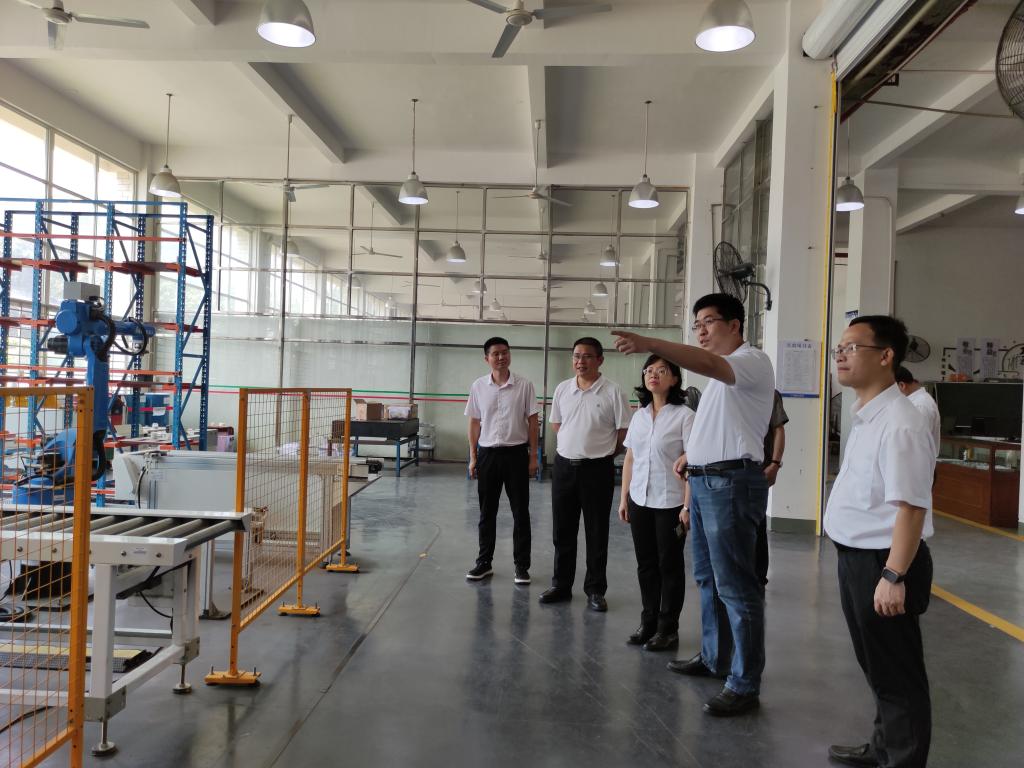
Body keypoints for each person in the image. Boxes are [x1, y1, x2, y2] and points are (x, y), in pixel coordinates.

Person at [612, 293, 774, 717]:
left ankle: (744, 682)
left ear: (735, 325)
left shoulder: (750, 361)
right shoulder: (719, 380)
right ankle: (715, 657)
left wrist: (652, 342)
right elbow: (723, 427)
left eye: (708, 322)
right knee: (707, 577)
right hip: (704, 481)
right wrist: (692, 456)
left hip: (730, 483)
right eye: (696, 324)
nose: (700, 331)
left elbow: (707, 365)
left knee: (736, 585)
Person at [825, 316, 936, 768]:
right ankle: (884, 747)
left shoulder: (902, 423)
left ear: (886, 356)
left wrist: (893, 575)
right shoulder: (868, 415)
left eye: (852, 348)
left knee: (898, 674)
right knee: (877, 665)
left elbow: (911, 508)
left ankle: (903, 759)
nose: (840, 356)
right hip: (857, 558)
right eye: (839, 349)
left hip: (883, 562)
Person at [540, 337, 631, 612]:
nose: (581, 361)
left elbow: (623, 431)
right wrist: (574, 445)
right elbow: (557, 424)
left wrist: (604, 453)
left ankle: (595, 590)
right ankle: (561, 585)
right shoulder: (562, 389)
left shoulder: (613, 391)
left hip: (597, 470)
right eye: (577, 356)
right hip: (564, 468)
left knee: (596, 531)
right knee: (562, 530)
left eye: (587, 356)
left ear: (600, 360)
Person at [617, 355, 695, 651]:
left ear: (674, 378)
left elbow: (693, 464)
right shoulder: (639, 415)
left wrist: (687, 507)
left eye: (662, 370)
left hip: (671, 503)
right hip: (640, 499)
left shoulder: (685, 416)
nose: (653, 375)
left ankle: (668, 628)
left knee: (669, 566)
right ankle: (648, 621)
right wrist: (624, 497)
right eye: (649, 370)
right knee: (646, 564)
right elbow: (631, 458)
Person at [465, 337, 539, 584]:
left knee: (521, 512)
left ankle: (522, 566)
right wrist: (473, 457)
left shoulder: (524, 385)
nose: (501, 357)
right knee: (487, 512)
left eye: (505, 352)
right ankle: (484, 563)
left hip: (516, 454)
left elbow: (532, 422)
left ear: (510, 355)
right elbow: (474, 423)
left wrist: (533, 457)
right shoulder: (478, 386)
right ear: (486, 358)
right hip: (487, 455)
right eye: (495, 353)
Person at [757, 391, 788, 590]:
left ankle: (758, 576)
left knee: (757, 523)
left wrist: (775, 464)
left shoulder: (770, 393)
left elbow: (778, 429)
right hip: (730, 472)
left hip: (759, 469)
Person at [895, 366, 941, 456]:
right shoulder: (916, 402)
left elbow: (918, 445)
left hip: (916, 462)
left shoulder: (920, 406)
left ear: (902, 385)